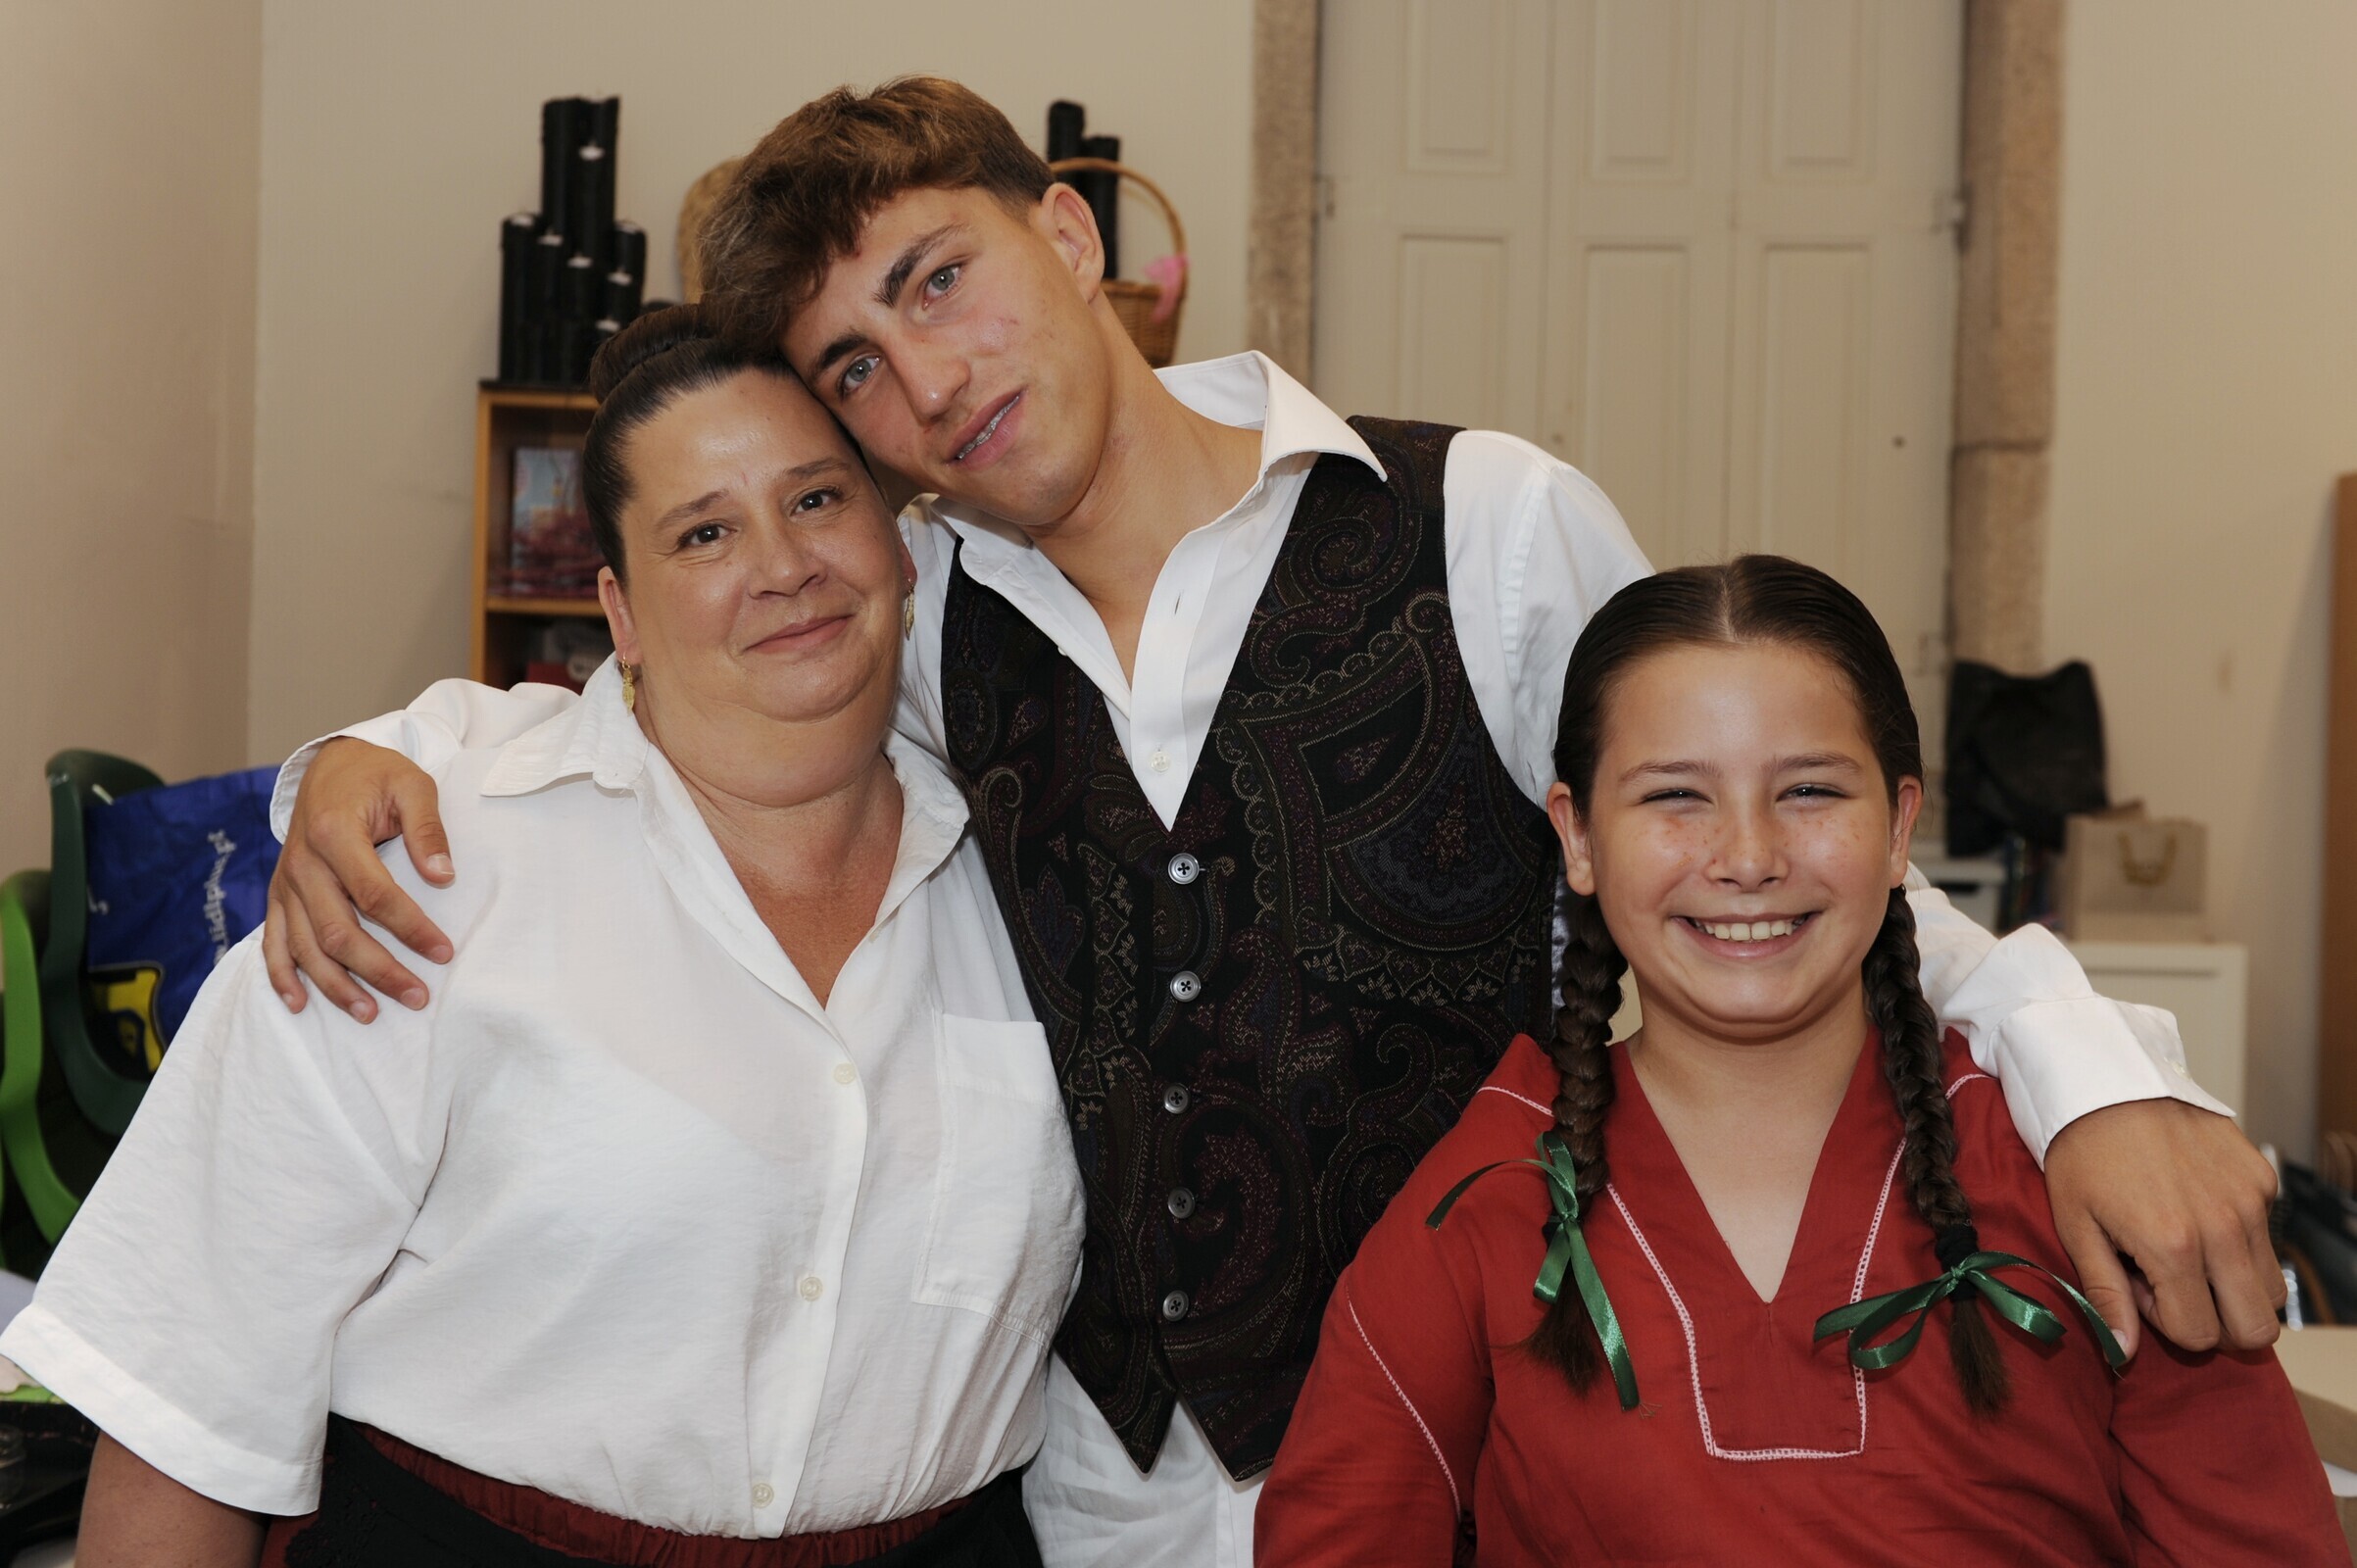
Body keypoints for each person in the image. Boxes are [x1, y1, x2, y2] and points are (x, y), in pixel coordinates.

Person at [260, 78, 2283, 1568]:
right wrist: (360, 753)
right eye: (854, 368)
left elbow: (1765, 857)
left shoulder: (1483, 524)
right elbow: (649, 724)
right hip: (1089, 1492)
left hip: (1483, 1459)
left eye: (942, 280)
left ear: (1070, 238)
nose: (926, 383)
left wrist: (2093, 1078)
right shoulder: (918, 622)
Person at [0, 308, 1082, 1567]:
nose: (784, 564)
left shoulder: (1032, 872)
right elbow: (184, 1410)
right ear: (620, 613)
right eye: (704, 532)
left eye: (816, 498)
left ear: (900, 542)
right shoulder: (418, 884)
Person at [1254, 557, 2343, 1566]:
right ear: (1577, 837)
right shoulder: (1489, 1194)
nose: (1748, 857)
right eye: (1674, 795)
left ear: (1898, 826)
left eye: (1810, 790)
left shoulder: (2076, 1174)